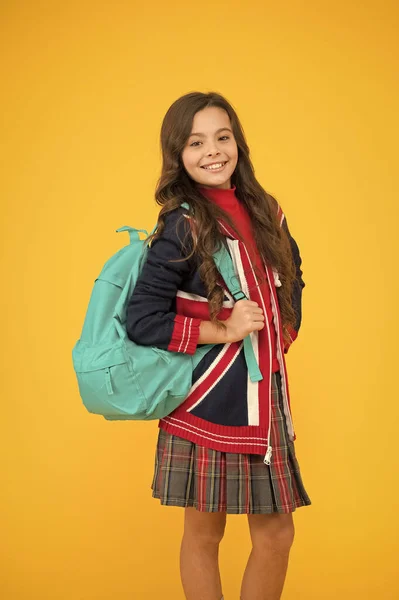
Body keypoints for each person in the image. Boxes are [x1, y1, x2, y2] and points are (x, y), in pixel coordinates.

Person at [126, 91, 311, 600]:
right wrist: (226, 330)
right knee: (205, 535)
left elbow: (293, 278)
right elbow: (141, 319)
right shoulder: (183, 223)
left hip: (264, 399)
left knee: (276, 534)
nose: (213, 150)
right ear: (178, 155)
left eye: (222, 137)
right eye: (196, 141)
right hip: (208, 401)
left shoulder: (267, 209)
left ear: (237, 144)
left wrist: (281, 335)